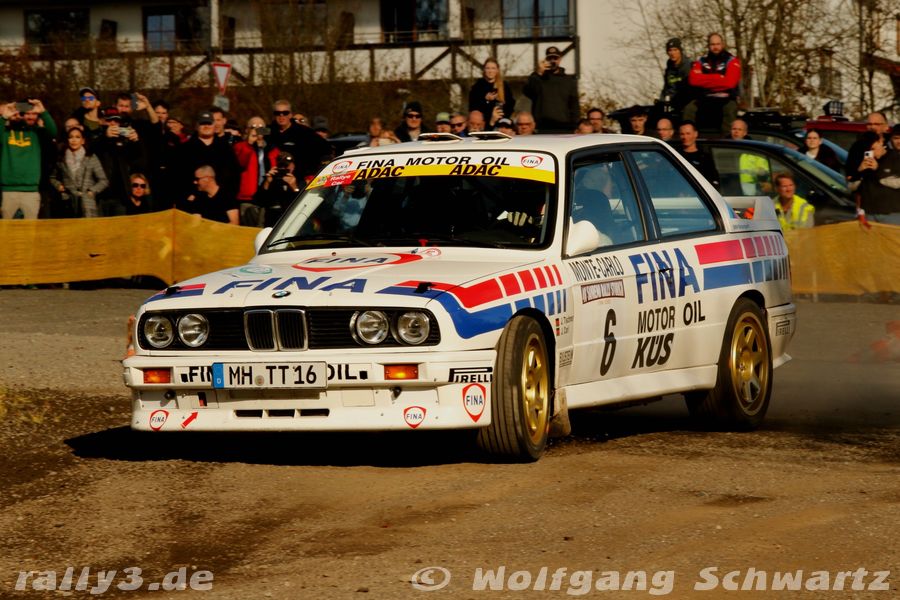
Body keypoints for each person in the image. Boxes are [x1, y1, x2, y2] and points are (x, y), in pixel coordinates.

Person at [1, 98, 58, 220]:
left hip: (31, 191)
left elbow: (53, 132)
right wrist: (4, 117)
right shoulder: (5, 133)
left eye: (33, 114)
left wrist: (43, 112)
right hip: (8, 190)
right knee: (5, 229)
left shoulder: (36, 133)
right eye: (26, 113)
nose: (30, 116)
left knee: (31, 229)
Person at [173, 111, 240, 206]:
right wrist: (186, 194)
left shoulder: (225, 149)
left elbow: (234, 174)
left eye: (209, 123)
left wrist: (227, 196)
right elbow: (176, 175)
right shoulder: (184, 149)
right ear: (197, 126)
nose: (206, 126)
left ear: (214, 125)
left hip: (221, 202)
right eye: (203, 123)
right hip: (192, 202)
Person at [94, 106, 150, 216]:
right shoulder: (96, 136)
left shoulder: (123, 139)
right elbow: (93, 149)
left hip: (120, 196)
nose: (113, 123)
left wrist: (135, 141)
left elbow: (137, 158)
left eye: (116, 120)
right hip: (101, 194)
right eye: (109, 120)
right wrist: (105, 137)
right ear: (103, 121)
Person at [683, 33, 741, 135]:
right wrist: (718, 78)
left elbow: (730, 83)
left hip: (726, 99)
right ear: (708, 46)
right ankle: (689, 137)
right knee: (689, 108)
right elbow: (693, 80)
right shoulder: (701, 61)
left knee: (730, 109)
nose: (715, 47)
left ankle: (727, 139)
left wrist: (705, 80)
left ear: (722, 44)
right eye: (712, 44)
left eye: (718, 44)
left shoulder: (732, 60)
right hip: (705, 98)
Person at [49, 126, 109, 218]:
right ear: (67, 140)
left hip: (87, 204)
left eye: (77, 137)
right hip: (67, 203)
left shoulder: (91, 157)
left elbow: (104, 181)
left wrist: (91, 191)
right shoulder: (61, 159)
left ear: (83, 140)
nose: (74, 140)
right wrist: (59, 186)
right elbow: (52, 177)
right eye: (71, 137)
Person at [266, 99, 331, 180]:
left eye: (285, 113)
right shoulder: (268, 130)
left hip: (299, 178)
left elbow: (326, 148)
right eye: (277, 113)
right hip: (273, 176)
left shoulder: (304, 131)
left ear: (290, 115)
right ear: (274, 115)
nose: (281, 116)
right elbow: (253, 134)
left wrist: (310, 172)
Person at [523, 46, 579, 133]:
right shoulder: (538, 78)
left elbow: (574, 105)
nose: (552, 61)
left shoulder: (569, 80)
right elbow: (528, 91)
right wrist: (538, 73)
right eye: (550, 58)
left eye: (555, 58)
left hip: (564, 127)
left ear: (559, 59)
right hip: (542, 127)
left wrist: (575, 126)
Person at [234, 116, 275, 227]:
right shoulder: (240, 147)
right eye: (253, 127)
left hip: (267, 197)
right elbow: (240, 164)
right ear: (247, 130)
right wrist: (249, 145)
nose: (257, 131)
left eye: (261, 127)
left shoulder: (272, 149)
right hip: (248, 198)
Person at [855, 131, 900, 225]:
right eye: (868, 150)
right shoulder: (863, 160)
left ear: (881, 142)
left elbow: (897, 184)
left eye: (873, 149)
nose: (872, 153)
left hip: (892, 214)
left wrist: (877, 170)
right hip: (869, 214)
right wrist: (859, 171)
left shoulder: (896, 158)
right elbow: (856, 188)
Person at [253, 151, 301, 227]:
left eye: (287, 165)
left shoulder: (299, 181)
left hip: (290, 221)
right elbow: (258, 202)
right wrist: (267, 183)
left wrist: (294, 188)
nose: (284, 168)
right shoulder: (271, 180)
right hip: (271, 221)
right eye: (281, 165)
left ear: (293, 166)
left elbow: (302, 205)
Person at [468, 57, 515, 125]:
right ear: (484, 70)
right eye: (488, 68)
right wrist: (486, 100)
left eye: (493, 68)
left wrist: (503, 115)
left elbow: (510, 104)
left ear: (497, 70)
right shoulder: (477, 87)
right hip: (484, 123)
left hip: (501, 122)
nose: (490, 71)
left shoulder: (504, 86)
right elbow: (473, 108)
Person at [847, 112, 890, 184]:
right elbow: (850, 176)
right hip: (866, 188)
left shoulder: (893, 143)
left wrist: (879, 168)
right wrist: (860, 169)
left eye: (877, 124)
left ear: (886, 126)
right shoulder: (858, 146)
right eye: (869, 124)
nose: (872, 127)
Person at [678, 120, 719, 189]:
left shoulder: (705, 158)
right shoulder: (676, 155)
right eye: (682, 134)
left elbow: (713, 180)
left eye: (688, 133)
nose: (685, 137)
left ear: (695, 134)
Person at [660, 38, 693, 118]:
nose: (672, 53)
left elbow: (689, 90)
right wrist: (662, 101)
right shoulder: (669, 68)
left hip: (685, 102)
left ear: (680, 51)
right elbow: (667, 88)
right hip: (670, 101)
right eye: (670, 50)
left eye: (675, 50)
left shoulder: (688, 66)